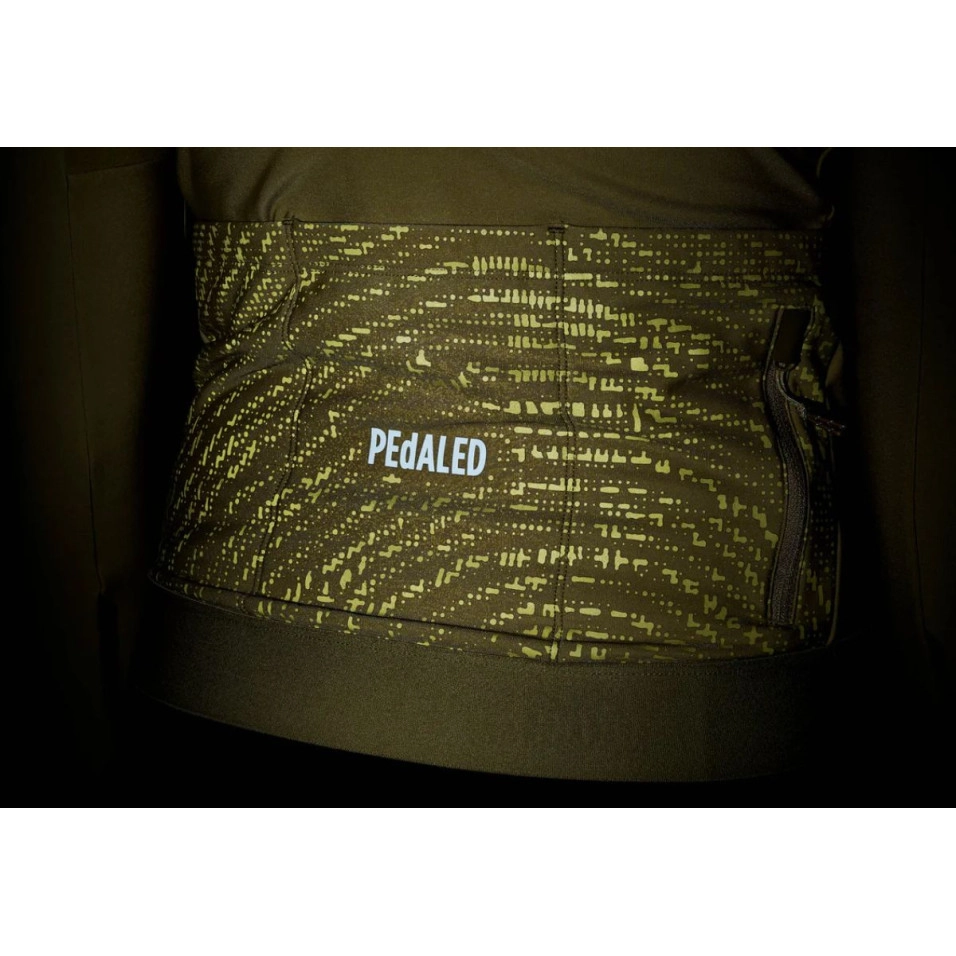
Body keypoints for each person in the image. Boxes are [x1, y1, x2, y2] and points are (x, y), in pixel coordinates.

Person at [5, 148, 952, 789]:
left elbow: (77, 302)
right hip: (702, 709)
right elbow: (920, 352)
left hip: (246, 683)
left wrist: (95, 714)